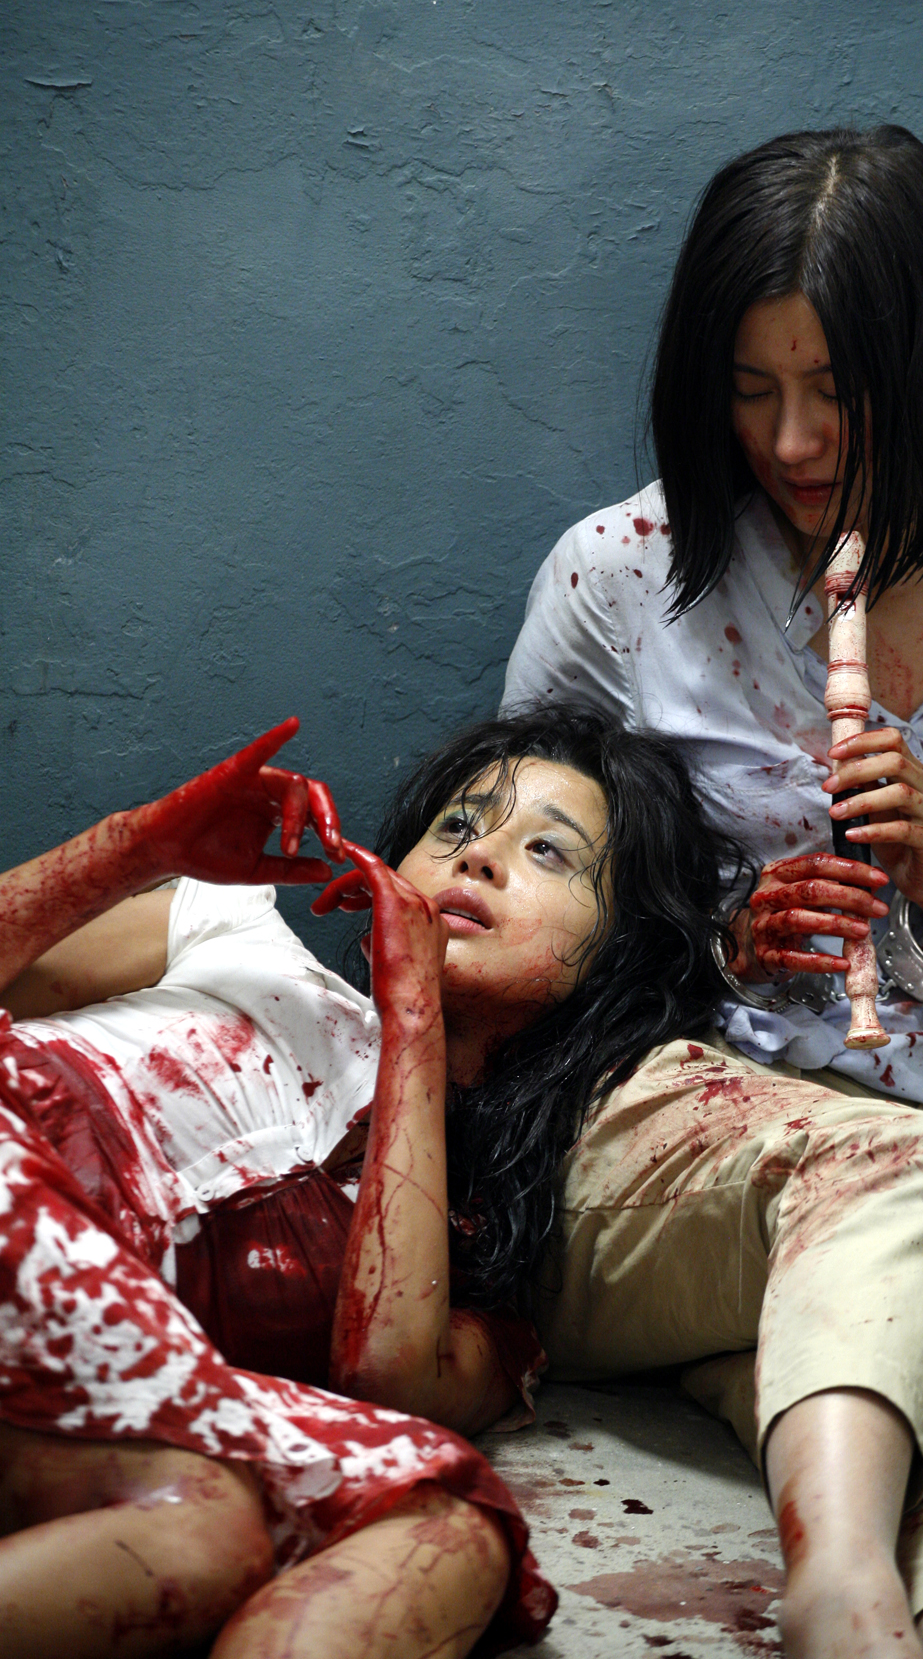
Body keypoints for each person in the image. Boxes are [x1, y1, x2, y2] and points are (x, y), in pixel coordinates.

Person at [502, 126, 923, 1657]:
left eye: (836, 390)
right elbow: (485, 924)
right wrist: (710, 938)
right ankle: (844, 1594)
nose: (791, 442)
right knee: (917, 1194)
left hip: (899, 1183)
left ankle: (891, 1614)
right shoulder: (622, 571)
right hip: (638, 1159)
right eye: (750, 389)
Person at [0, 706, 737, 1659]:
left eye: (548, 852)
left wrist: (413, 1019)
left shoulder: (477, 1252)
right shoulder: (229, 933)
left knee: (438, 1516)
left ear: (617, 949)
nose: (477, 857)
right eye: (459, 825)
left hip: (64, 1387)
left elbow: (389, 1379)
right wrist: (132, 849)